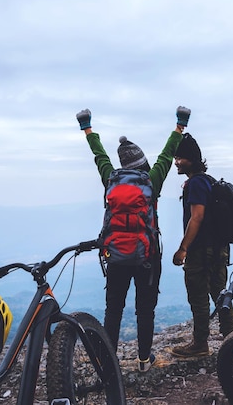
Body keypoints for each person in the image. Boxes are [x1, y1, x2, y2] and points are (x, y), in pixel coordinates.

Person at [76, 106, 190, 372]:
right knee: (145, 310)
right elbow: (167, 153)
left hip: (115, 255)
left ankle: (107, 361)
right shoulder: (152, 180)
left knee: (113, 309)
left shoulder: (111, 178)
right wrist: (179, 126)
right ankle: (142, 360)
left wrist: (87, 129)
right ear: (142, 163)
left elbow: (100, 155)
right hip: (147, 257)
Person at [171, 133, 233, 357]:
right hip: (219, 249)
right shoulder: (208, 181)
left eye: (181, 158)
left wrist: (183, 248)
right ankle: (231, 339)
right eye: (176, 157)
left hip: (201, 251)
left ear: (192, 159)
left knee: (198, 296)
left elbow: (196, 217)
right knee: (221, 294)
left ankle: (200, 344)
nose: (176, 162)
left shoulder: (197, 183)